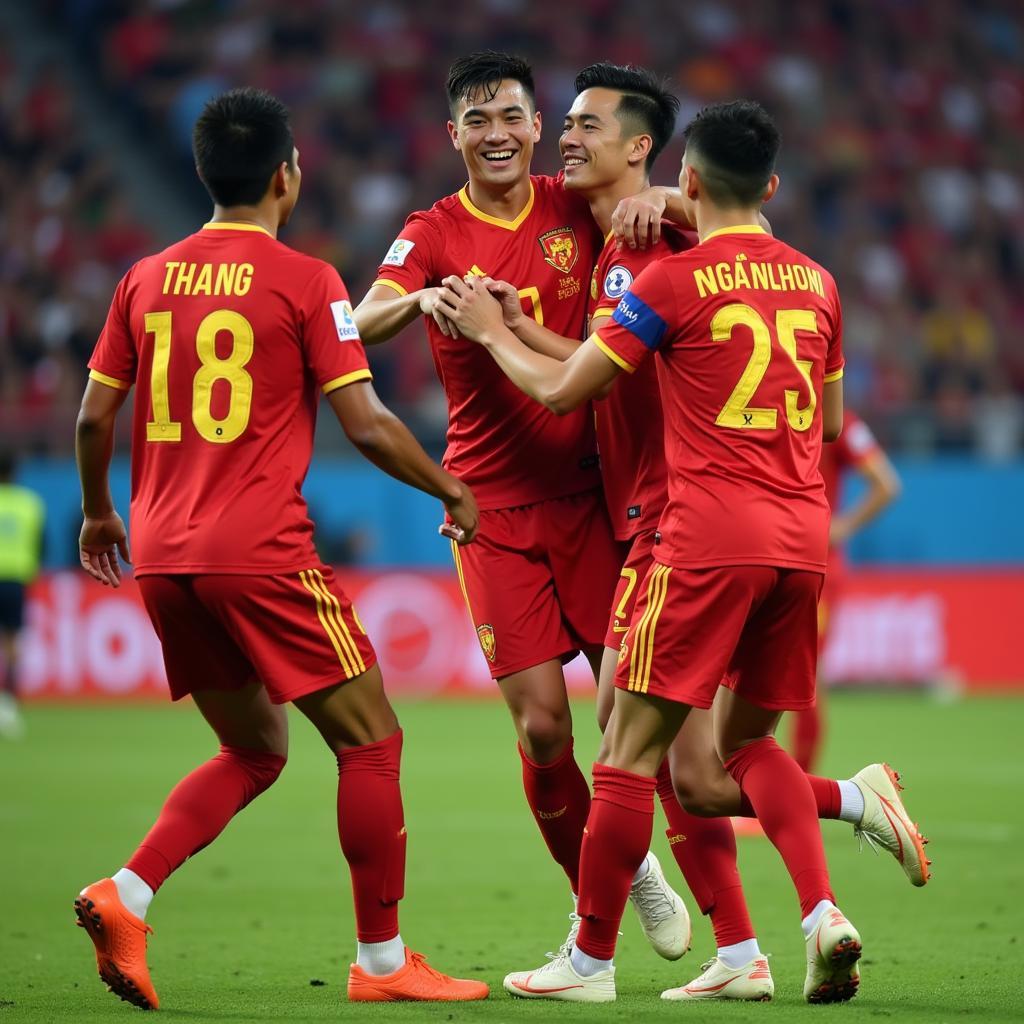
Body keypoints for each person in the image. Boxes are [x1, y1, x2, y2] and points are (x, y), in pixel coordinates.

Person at [454, 69, 929, 1001]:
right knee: (718, 766)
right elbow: (829, 426)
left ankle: (590, 961)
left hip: (692, 530)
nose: (565, 139)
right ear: (775, 188)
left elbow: (570, 384)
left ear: (677, 171)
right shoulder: (818, 280)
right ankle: (801, 899)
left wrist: (491, 332)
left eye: (587, 124)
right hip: (799, 543)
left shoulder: (667, 264)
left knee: (625, 746)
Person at [73, 87, 488, 1010]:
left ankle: (125, 894)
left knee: (256, 750)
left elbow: (96, 411)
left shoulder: (145, 276)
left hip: (163, 555)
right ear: (287, 177)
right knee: (373, 741)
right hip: (259, 552)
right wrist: (454, 487)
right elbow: (369, 425)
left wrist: (101, 514)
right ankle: (382, 965)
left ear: (202, 173)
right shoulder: (306, 282)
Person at [353, 51, 689, 963]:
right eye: (476, 120)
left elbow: (692, 213)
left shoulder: (572, 200)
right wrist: (420, 297)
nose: (496, 133)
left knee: (642, 718)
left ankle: (734, 941)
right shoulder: (431, 231)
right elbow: (360, 318)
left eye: (511, 116)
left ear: (537, 127)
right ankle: (619, 886)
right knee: (545, 727)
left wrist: (675, 203)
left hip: (596, 500)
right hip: (492, 510)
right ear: (452, 134)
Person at [792, 410, 901, 771]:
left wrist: (839, 528)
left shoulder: (839, 422)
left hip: (812, 565)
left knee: (803, 676)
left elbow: (886, 484)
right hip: (776, 556)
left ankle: (795, 789)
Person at [0, 450, 45, 740]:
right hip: (16, 579)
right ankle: (8, 704)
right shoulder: (30, 504)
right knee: (13, 643)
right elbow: (41, 545)